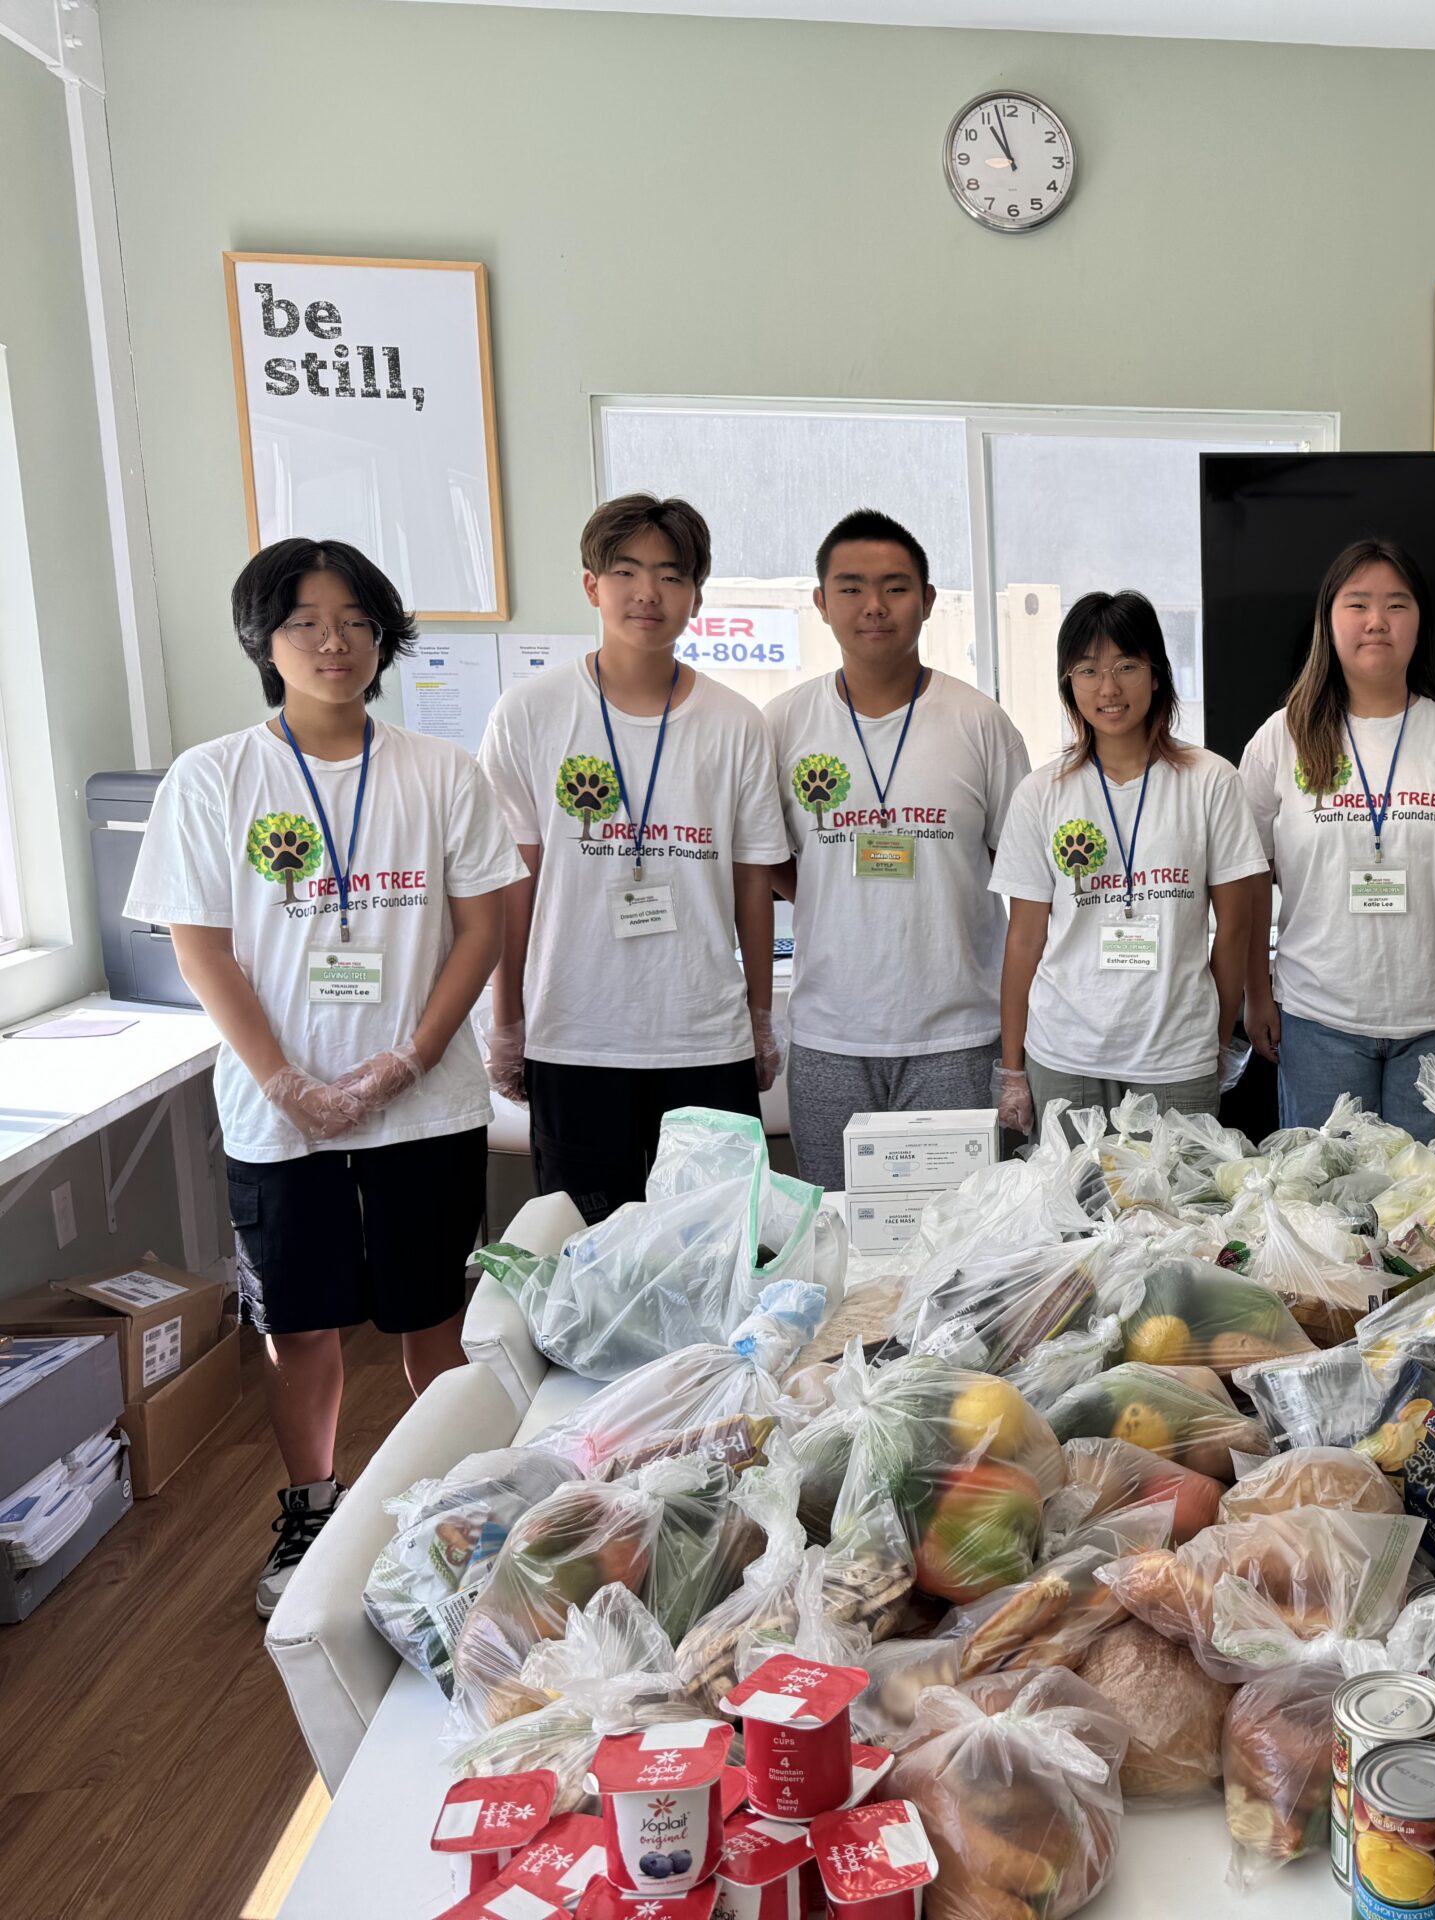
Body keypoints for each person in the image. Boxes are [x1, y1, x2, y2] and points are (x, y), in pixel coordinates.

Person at [125, 538, 522, 1615]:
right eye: (305, 621)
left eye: (354, 619)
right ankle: (311, 1508)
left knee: (429, 1314)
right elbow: (199, 944)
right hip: (276, 1114)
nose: (332, 641)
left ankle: (450, 1512)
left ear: (386, 635)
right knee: (298, 1323)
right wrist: (289, 1082)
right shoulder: (215, 776)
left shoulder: (441, 771)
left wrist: (407, 1056)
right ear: (265, 640)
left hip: (424, 1107)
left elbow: (482, 928)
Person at [480, 494, 790, 1221]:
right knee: (585, 1259)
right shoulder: (530, 712)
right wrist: (508, 1021)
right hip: (575, 1035)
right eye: (626, 571)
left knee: (720, 1254)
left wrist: (760, 1017)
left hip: (705, 1036)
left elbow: (753, 887)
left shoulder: (735, 723)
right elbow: (511, 884)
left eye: (670, 575)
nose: (647, 593)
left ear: (695, 597)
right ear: (592, 585)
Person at [766, 510, 1029, 1186]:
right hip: (830, 1036)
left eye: (895, 587)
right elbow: (769, 861)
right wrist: (838, 891)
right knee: (836, 1233)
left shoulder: (980, 723)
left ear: (929, 601)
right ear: (821, 603)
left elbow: (1022, 875)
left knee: (958, 1244)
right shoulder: (783, 724)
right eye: (850, 588)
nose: (874, 607)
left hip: (958, 1035)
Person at [1239, 538, 1435, 1136]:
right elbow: (1249, 878)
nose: (1376, 622)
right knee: (1323, 1208)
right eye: (1357, 604)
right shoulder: (1282, 738)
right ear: (1328, 620)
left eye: (1397, 605)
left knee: (1429, 1217)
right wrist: (1256, 993)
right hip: (1317, 1020)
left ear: (1419, 623)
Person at [991, 590, 1266, 1125]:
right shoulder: (1041, 792)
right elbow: (1024, 939)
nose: (1109, 688)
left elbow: (1235, 928)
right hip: (1064, 1053)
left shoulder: (1211, 781)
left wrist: (1212, 1039)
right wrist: (1013, 1071)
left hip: (1176, 1056)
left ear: (1157, 674)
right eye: (1088, 670)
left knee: (1177, 1209)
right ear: (1068, 683)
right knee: (1072, 1207)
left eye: (1126, 666)